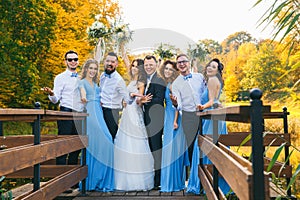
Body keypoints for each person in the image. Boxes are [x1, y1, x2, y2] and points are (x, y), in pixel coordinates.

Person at [187, 58, 230, 194]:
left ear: (217, 70)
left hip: (212, 119)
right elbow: (216, 100)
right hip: (217, 118)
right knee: (213, 149)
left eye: (214, 67)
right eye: (209, 65)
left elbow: (211, 101)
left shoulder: (212, 80)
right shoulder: (215, 81)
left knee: (204, 148)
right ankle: (213, 183)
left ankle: (204, 184)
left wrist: (201, 107)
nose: (210, 68)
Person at [114, 59, 154, 191]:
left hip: (135, 114)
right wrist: (125, 101)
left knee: (136, 144)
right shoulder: (130, 81)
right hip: (126, 113)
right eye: (133, 66)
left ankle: (137, 181)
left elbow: (139, 99)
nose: (134, 68)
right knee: (124, 143)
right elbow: (126, 98)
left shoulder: (141, 82)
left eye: (137, 67)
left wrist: (140, 99)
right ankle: (123, 180)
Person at [43, 50, 84, 166]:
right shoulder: (60, 78)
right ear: (65, 61)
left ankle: (72, 177)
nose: (73, 62)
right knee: (63, 144)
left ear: (78, 61)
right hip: (65, 112)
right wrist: (51, 93)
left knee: (77, 146)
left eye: (75, 59)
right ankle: (60, 175)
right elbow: (56, 100)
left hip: (80, 114)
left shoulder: (82, 78)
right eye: (70, 59)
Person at [78, 59, 114, 191]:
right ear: (86, 69)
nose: (92, 71)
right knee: (102, 142)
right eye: (90, 68)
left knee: (106, 142)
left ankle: (100, 179)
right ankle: (92, 180)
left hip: (99, 113)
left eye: (95, 69)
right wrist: (83, 98)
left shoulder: (96, 84)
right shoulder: (81, 82)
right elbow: (82, 93)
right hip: (91, 114)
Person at [170, 53, 206, 173]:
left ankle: (207, 175)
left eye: (184, 61)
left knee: (206, 144)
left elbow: (206, 93)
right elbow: (179, 105)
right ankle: (195, 176)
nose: (182, 64)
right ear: (177, 66)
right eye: (179, 62)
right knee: (191, 146)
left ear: (189, 63)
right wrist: (175, 104)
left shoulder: (199, 77)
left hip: (204, 115)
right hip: (188, 116)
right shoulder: (175, 84)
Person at [159, 60, 189, 192]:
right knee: (169, 150)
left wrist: (175, 121)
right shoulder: (168, 83)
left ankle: (173, 184)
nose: (167, 71)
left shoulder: (173, 85)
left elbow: (177, 104)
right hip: (168, 117)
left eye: (170, 69)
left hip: (174, 118)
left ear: (174, 71)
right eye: (166, 69)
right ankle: (169, 183)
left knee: (172, 150)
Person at [143, 55, 166, 189]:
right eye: (146, 65)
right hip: (146, 119)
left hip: (156, 120)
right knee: (149, 149)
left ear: (156, 65)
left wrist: (146, 100)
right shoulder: (145, 80)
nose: (148, 67)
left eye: (151, 65)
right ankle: (150, 178)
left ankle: (158, 181)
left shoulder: (159, 80)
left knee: (156, 149)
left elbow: (159, 100)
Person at [100, 52, 134, 141]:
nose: (110, 64)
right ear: (104, 62)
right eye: (108, 61)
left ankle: (111, 155)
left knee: (110, 138)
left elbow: (127, 99)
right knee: (101, 138)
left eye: (112, 62)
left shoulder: (119, 80)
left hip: (111, 112)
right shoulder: (102, 76)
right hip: (100, 110)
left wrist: (133, 95)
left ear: (116, 64)